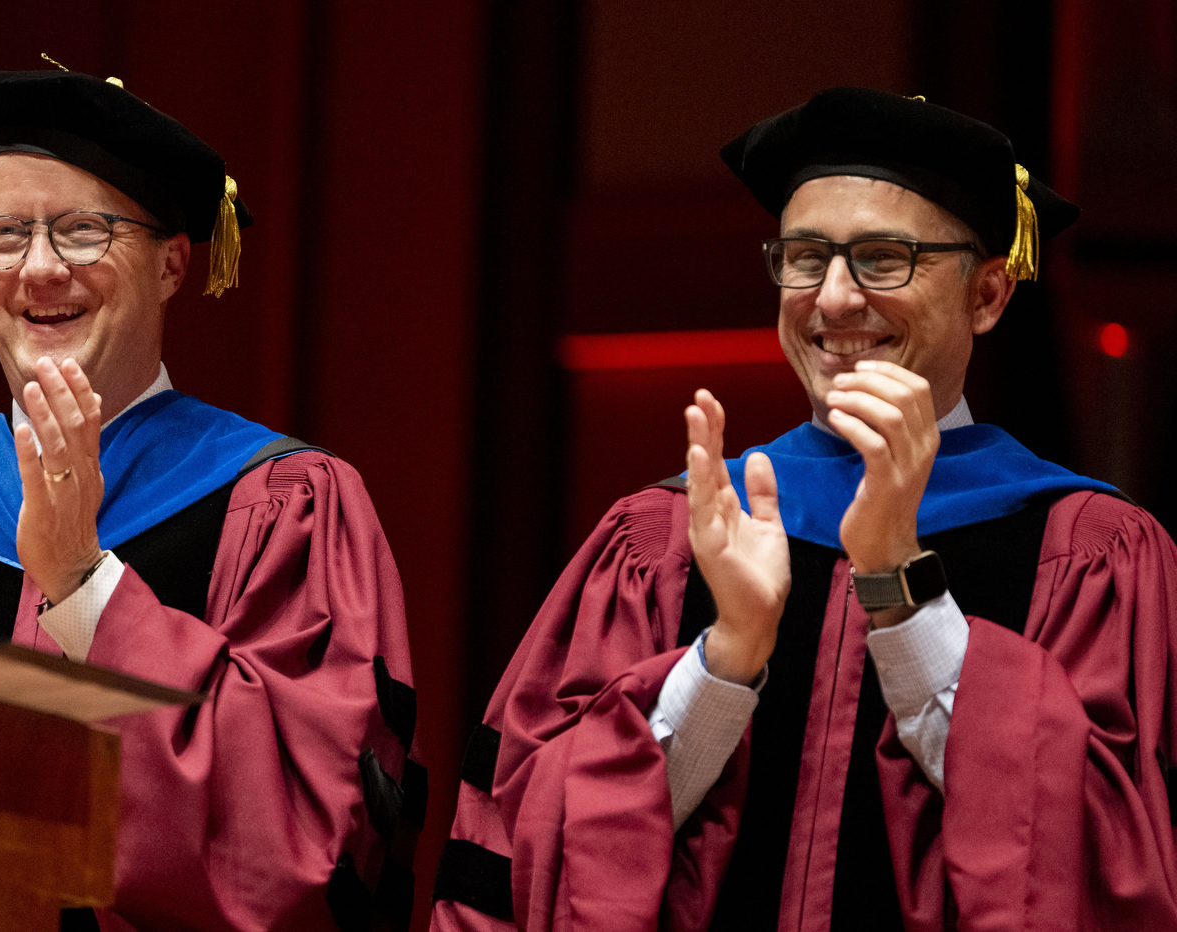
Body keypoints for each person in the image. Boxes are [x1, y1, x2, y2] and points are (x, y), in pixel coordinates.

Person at [431, 87, 1177, 931]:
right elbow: (540, 849)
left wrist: (903, 587)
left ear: (989, 295)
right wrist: (727, 658)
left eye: (883, 258)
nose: (832, 300)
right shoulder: (667, 536)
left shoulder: (1086, 549)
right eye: (803, 256)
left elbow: (1095, 865)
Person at [0, 67, 425, 932]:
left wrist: (88, 590)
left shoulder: (283, 508)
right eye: (6, 234)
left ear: (170, 265)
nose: (40, 269)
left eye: (83, 231)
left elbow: (302, 854)